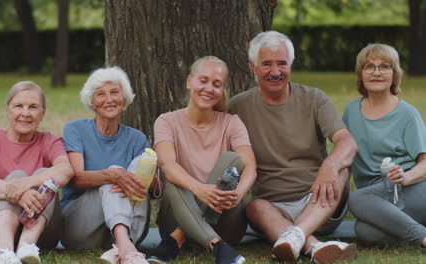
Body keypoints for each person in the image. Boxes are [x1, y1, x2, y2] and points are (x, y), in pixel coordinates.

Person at [228, 31, 358, 264]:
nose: (276, 72)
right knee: (254, 207)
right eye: (267, 64)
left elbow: (347, 142)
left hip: (320, 203)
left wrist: (329, 164)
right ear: (253, 67)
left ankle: (297, 236)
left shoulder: (314, 99)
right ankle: (314, 246)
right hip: (274, 213)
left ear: (291, 64)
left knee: (341, 168)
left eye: (282, 64)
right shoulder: (238, 107)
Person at [147, 56, 257, 264]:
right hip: (176, 217)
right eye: (203, 80)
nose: (209, 88)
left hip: (226, 222)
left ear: (222, 89)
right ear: (190, 82)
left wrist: (239, 193)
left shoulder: (231, 123)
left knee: (232, 160)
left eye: (217, 84)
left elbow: (250, 166)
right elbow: (168, 166)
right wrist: (200, 190)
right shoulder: (166, 122)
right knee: (173, 182)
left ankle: (175, 241)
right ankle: (217, 246)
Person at [0, 81, 74, 264]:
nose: (25, 113)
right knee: (17, 175)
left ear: (42, 112)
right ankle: (2, 251)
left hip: (39, 237)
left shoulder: (50, 141)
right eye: (18, 106)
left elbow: (65, 171)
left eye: (33, 107)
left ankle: (26, 246)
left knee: (45, 174)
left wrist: (27, 183)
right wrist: (19, 192)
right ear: (8, 109)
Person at [61, 66, 154, 264]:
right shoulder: (75, 130)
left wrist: (149, 179)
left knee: (138, 164)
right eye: (101, 94)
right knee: (114, 173)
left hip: (131, 228)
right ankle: (126, 248)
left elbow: (153, 190)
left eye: (114, 92)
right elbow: (76, 179)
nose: (109, 99)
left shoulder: (137, 139)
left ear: (124, 97)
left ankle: (118, 248)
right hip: (79, 230)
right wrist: (113, 176)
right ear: (92, 102)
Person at [344, 43, 426, 247]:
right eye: (369, 66)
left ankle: (421, 237)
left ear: (394, 74)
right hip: (376, 196)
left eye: (385, 66)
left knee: (355, 200)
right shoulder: (351, 111)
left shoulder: (408, 114)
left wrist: (406, 177)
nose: (376, 72)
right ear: (361, 74)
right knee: (365, 231)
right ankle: (415, 228)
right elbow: (342, 153)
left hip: (411, 189)